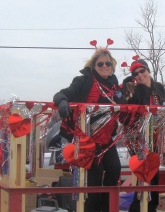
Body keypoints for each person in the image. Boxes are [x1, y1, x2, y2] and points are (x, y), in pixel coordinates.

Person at [53, 46, 126, 212]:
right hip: (88, 138)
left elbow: (125, 104)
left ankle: (105, 207)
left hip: (107, 137)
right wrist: (63, 101)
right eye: (100, 64)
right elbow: (61, 93)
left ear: (112, 66)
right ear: (94, 66)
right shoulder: (83, 80)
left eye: (108, 63)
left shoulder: (114, 85)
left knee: (115, 169)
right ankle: (91, 209)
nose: (104, 66)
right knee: (94, 175)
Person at [126, 59, 165, 212]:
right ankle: (137, 207)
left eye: (142, 71)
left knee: (154, 172)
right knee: (141, 172)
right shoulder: (136, 91)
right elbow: (131, 113)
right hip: (140, 137)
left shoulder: (159, 88)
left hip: (157, 135)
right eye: (135, 74)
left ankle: (152, 206)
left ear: (148, 71)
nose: (139, 75)